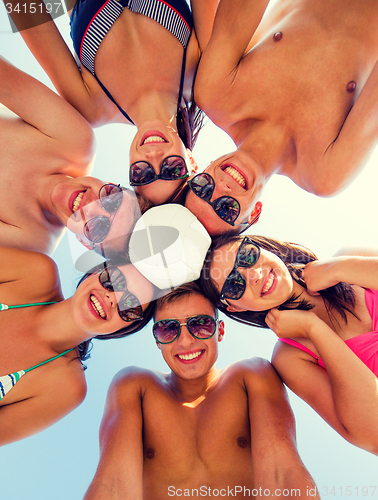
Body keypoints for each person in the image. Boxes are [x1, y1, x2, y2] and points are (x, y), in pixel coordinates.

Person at [84, 282, 319, 499]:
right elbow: (113, 485)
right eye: (168, 329)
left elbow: (283, 474)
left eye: (200, 324)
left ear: (220, 331)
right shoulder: (135, 386)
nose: (185, 341)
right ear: (157, 340)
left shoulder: (251, 375)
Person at [187, 0, 378, 232]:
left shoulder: (216, 93)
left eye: (202, 188)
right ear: (255, 213)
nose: (221, 189)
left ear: (201, 170)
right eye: (227, 209)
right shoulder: (324, 173)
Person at [5, 0, 219, 205]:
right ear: (191, 161)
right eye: (171, 169)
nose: (154, 157)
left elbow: (28, 15)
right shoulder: (203, 69)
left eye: (142, 174)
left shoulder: (91, 107)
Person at [200, 234, 378, 455]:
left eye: (247, 255)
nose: (254, 275)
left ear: (263, 248)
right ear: (234, 307)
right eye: (234, 284)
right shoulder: (291, 357)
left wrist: (337, 269)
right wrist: (314, 328)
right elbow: (373, 434)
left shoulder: (347, 263)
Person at [0, 247, 155, 446]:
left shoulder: (65, 388)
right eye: (114, 280)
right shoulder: (34, 272)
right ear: (93, 273)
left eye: (130, 306)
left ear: (125, 328)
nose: (112, 298)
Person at [0, 55, 151, 256]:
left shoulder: (33, 243)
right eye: (111, 199)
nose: (91, 205)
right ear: (109, 183)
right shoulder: (74, 140)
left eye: (98, 229)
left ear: (84, 243)